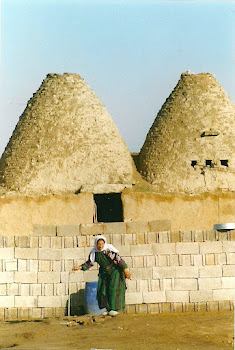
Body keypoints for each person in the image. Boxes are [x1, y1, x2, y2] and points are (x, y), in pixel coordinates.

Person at [72, 235, 131, 316]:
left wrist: (125, 270)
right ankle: (108, 309)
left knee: (113, 290)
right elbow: (89, 263)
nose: (100, 246)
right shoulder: (94, 253)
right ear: (96, 244)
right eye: (99, 244)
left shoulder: (108, 251)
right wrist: (79, 267)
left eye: (102, 244)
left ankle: (114, 309)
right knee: (103, 290)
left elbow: (118, 260)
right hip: (104, 273)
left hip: (114, 272)